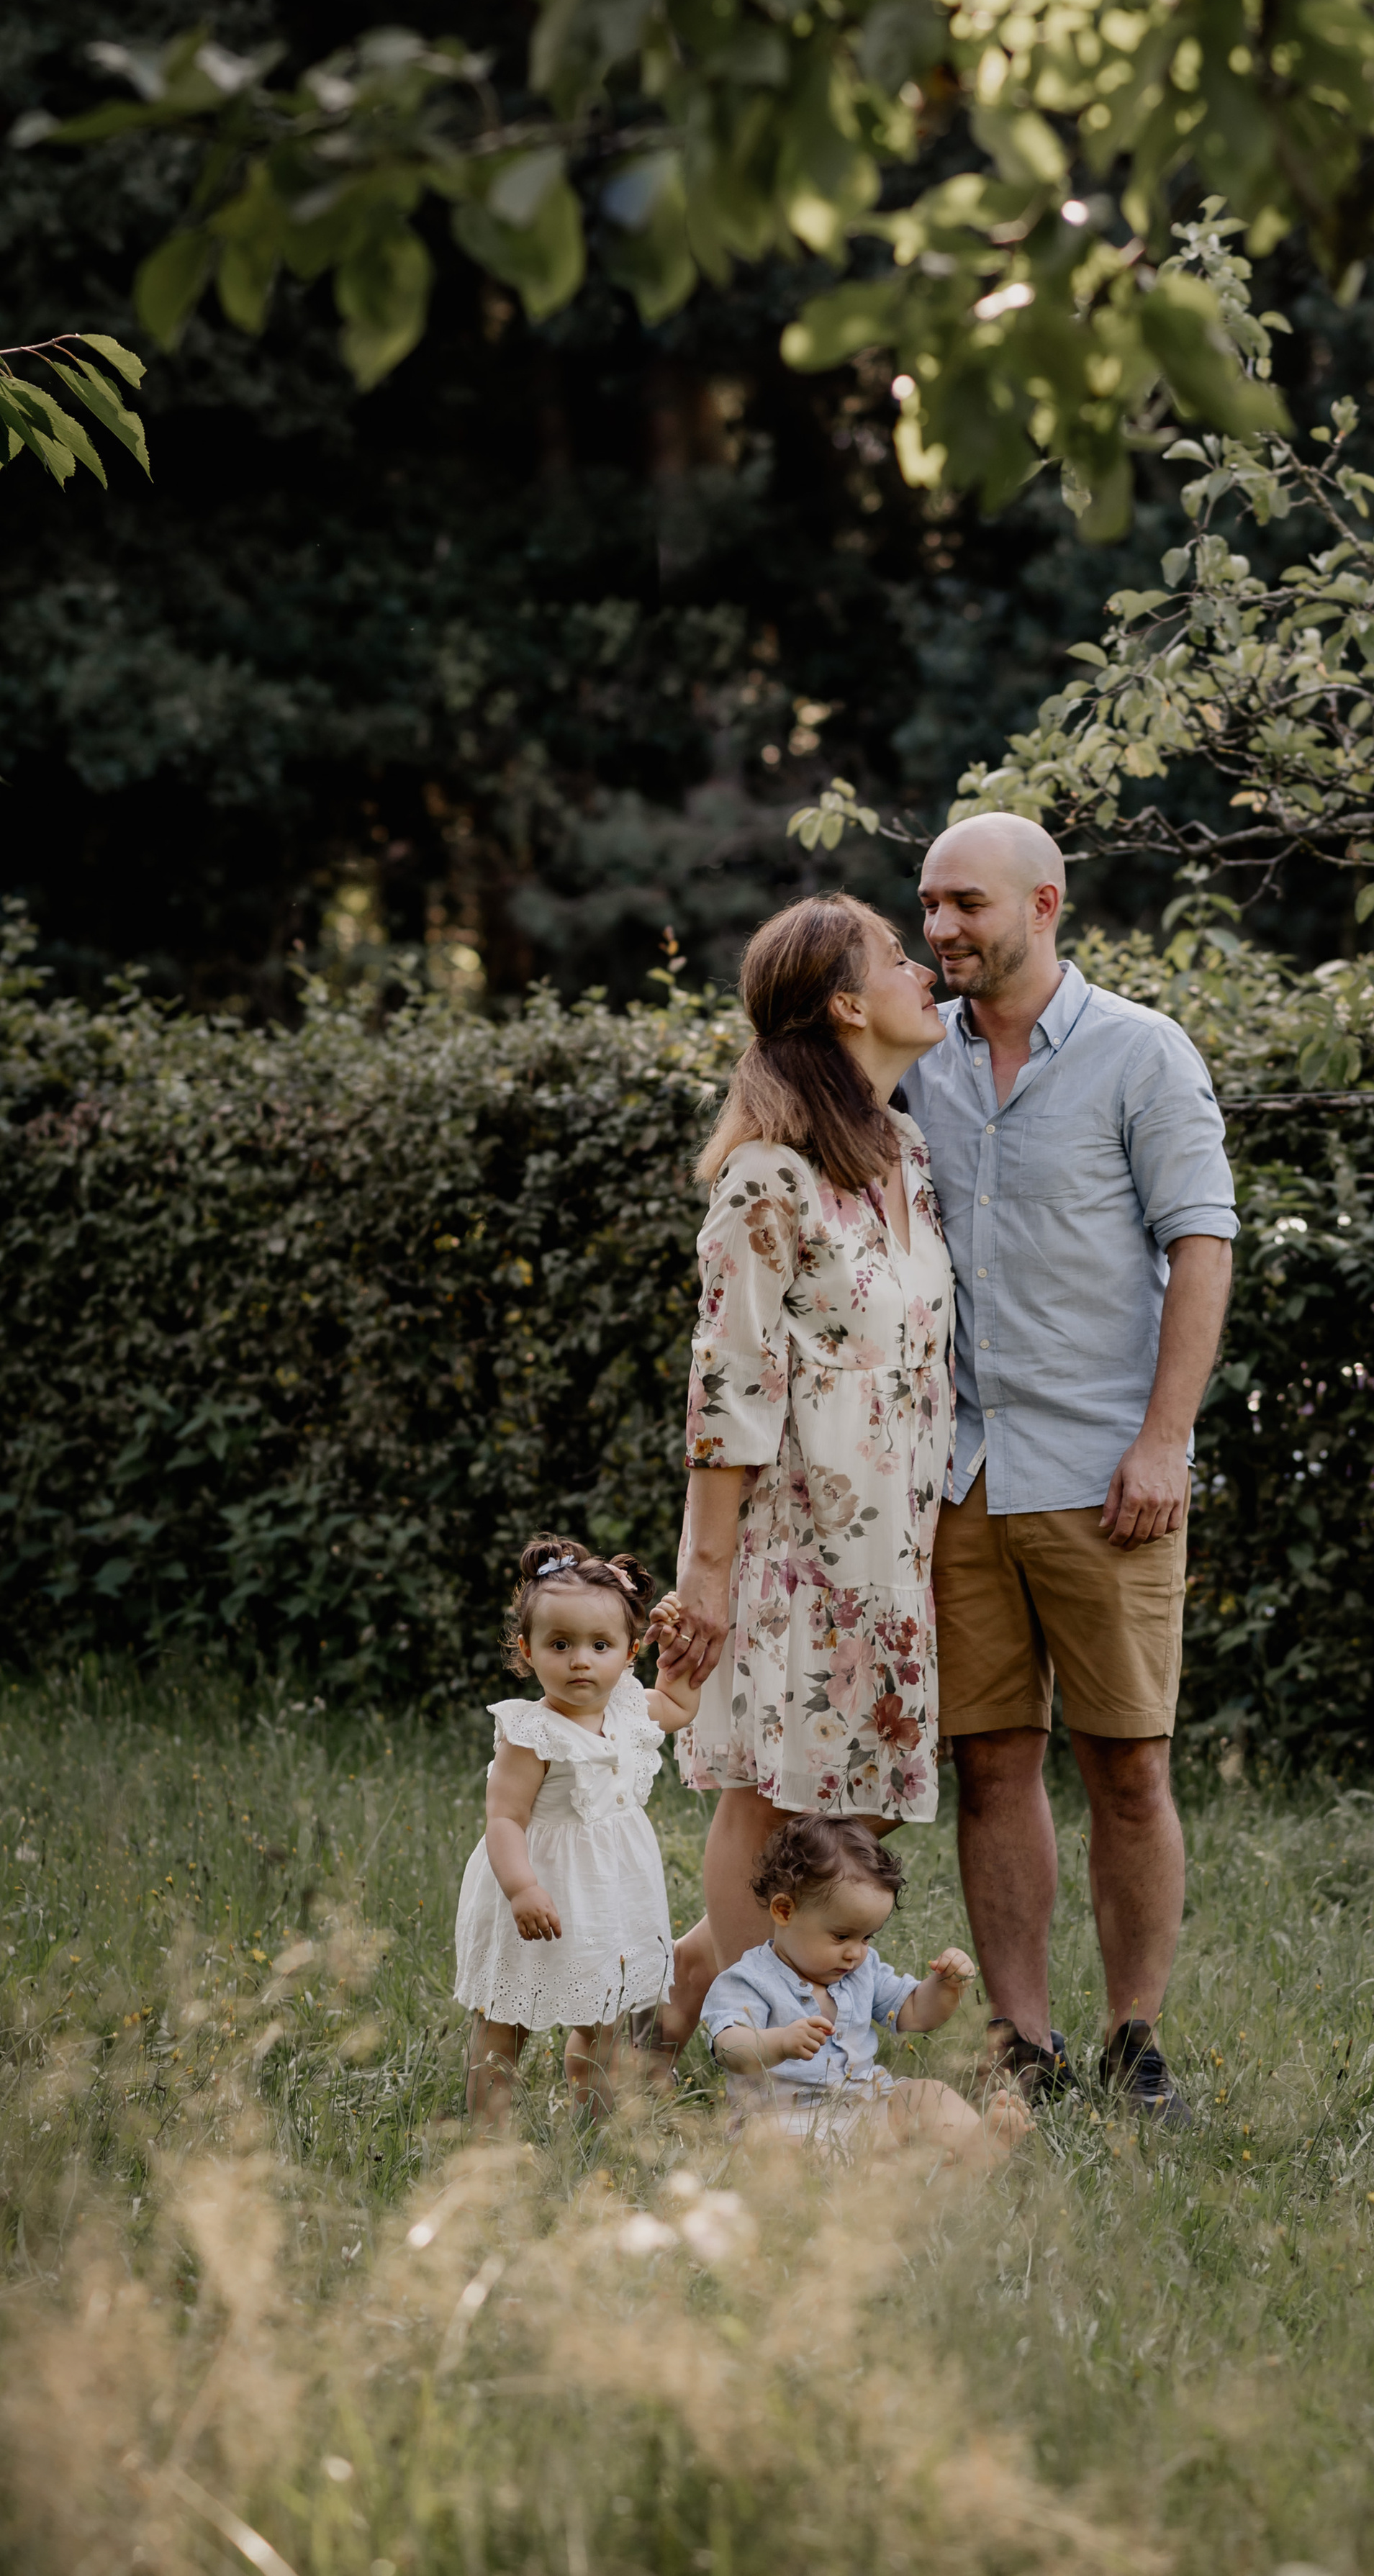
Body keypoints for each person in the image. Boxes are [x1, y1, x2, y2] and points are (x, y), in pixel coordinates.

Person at [903, 812, 1238, 2125]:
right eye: (928, 905)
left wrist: (1165, 1438)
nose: (940, 929)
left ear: (1047, 903)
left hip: (1109, 1473)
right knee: (991, 1763)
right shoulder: (913, 1057)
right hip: (965, 1473)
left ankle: (1134, 2037)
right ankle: (1021, 2040)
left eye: (965, 904)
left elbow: (1201, 1245)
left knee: (1128, 1766)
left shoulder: (1141, 1054)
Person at [649, 895, 954, 1969]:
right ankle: (755, 2055)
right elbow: (726, 1393)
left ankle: (687, 1990)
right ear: (846, 1003)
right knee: (771, 1809)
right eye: (896, 955)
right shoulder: (766, 1178)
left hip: (894, 1553)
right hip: (796, 1556)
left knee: (854, 1817)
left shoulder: (904, 1152)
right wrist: (710, 1581)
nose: (923, 968)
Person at [453, 1532, 702, 2125]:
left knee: (602, 2019)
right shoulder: (531, 1733)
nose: (581, 1660)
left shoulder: (631, 1709)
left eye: (600, 1645)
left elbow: (683, 1705)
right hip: (537, 1890)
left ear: (629, 1652)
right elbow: (505, 1818)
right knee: (503, 2022)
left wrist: (678, 1644)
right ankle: (491, 2137)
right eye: (560, 1644)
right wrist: (521, 1887)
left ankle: (594, 2132)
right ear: (528, 1650)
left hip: (607, 1893)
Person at [700, 1815, 1032, 2157]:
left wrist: (945, 1986)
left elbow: (914, 2012)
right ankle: (900, 2174)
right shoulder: (748, 1979)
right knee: (775, 2144)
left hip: (868, 2105)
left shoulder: (862, 1969)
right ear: (785, 1911)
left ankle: (976, 2147)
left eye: (867, 1937)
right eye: (841, 1936)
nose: (856, 1952)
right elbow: (729, 2047)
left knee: (926, 2095)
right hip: (787, 2120)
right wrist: (779, 2042)